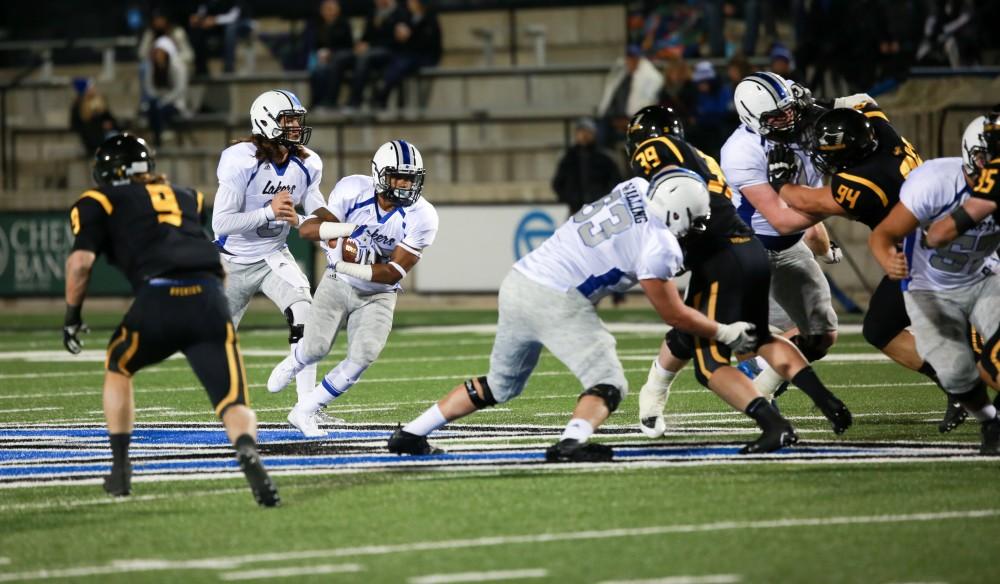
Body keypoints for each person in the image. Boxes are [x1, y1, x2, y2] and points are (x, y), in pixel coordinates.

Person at [387, 170, 794, 462]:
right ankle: (572, 442)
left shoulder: (635, 187)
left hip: (519, 280)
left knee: (500, 385)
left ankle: (411, 433)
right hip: (557, 295)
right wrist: (724, 331)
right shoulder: (660, 246)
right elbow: (674, 313)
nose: (696, 227)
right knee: (609, 380)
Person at [62, 134, 278, 506]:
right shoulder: (185, 195)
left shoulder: (98, 200)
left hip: (159, 296)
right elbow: (208, 253)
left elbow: (80, 264)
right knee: (232, 399)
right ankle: (246, 448)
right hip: (209, 295)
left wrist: (72, 316)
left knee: (119, 364)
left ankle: (120, 470)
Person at [625, 105, 852, 440]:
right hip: (743, 245)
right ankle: (819, 398)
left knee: (707, 352)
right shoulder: (705, 157)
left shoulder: (659, 154)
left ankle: (765, 413)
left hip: (716, 246)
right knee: (746, 335)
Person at [770, 104, 968, 432]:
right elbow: (862, 100)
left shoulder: (860, 181)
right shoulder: (884, 134)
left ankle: (959, 385)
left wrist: (779, 181)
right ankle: (958, 385)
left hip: (928, 256)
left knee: (882, 328)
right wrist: (818, 110)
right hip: (952, 237)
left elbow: (809, 202)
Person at [266, 141, 439, 437]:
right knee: (316, 347)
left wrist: (345, 262)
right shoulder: (353, 190)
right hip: (337, 283)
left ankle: (304, 411)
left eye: (410, 178)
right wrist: (344, 235)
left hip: (379, 293)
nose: (404, 184)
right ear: (379, 174)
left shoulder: (423, 216)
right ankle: (294, 361)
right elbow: (311, 230)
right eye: (397, 176)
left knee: (363, 356)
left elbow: (392, 272)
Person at [869, 114, 1000, 454]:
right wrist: (887, 260)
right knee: (956, 373)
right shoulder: (934, 182)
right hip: (929, 286)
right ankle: (990, 421)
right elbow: (886, 234)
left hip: (985, 275)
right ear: (975, 156)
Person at [720, 72, 842, 401]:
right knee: (752, 337)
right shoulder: (740, 151)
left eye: (790, 109)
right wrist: (848, 200)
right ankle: (760, 397)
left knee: (822, 335)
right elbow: (783, 220)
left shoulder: (806, 124)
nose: (789, 119)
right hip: (749, 251)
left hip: (790, 245)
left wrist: (824, 244)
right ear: (752, 118)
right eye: (777, 116)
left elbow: (805, 202)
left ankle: (762, 378)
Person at [211, 89, 335, 415]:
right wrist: (269, 212)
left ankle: (306, 405)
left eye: (297, 119)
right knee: (214, 344)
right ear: (266, 121)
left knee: (305, 313)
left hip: (272, 255)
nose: (295, 126)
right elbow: (221, 223)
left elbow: (318, 212)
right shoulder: (240, 160)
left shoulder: (306, 163)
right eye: (288, 119)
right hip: (231, 261)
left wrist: (338, 236)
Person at [373, 0, 442, 109]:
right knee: (397, 62)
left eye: (412, 2)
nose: (408, 4)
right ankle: (384, 93)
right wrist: (400, 36)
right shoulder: (408, 18)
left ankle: (383, 92)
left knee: (403, 63)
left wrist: (409, 36)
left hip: (425, 58)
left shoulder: (430, 19)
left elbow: (428, 44)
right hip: (409, 56)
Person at [551, 117, 623, 215]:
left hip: (600, 209)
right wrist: (570, 199)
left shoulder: (605, 158)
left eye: (588, 132)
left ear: (594, 134)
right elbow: (557, 184)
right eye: (581, 131)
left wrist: (604, 199)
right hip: (575, 210)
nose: (584, 135)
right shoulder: (568, 158)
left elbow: (616, 182)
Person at [596, 45, 663, 149]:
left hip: (637, 120)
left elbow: (648, 105)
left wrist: (629, 120)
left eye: (633, 58)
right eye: (629, 58)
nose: (630, 61)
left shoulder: (651, 78)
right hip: (614, 118)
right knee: (598, 130)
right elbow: (610, 101)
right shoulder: (621, 74)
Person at [347, 0, 409, 110]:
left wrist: (370, 46)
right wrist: (361, 44)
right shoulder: (373, 12)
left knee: (365, 57)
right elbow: (366, 36)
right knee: (349, 57)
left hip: (390, 51)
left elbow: (397, 40)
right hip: (372, 52)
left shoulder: (400, 13)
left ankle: (354, 100)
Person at [305, 0, 355, 108]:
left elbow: (349, 46)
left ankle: (329, 101)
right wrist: (320, 53)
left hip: (338, 58)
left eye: (331, 9)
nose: (329, 12)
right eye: (326, 9)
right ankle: (316, 102)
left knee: (327, 70)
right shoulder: (317, 24)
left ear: (337, 10)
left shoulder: (344, 24)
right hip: (320, 57)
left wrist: (331, 53)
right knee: (317, 71)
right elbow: (313, 44)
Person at [141, 36, 189, 146]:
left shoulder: (178, 67)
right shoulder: (151, 67)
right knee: (153, 108)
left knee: (159, 109)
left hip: (174, 103)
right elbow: (149, 88)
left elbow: (179, 89)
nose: (158, 55)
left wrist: (164, 100)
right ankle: (157, 137)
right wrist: (158, 97)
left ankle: (160, 137)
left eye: (160, 52)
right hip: (157, 101)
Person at [188, 1, 253, 75]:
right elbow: (203, 10)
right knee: (196, 30)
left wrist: (215, 20)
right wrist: (198, 18)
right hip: (218, 25)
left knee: (230, 29)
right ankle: (201, 68)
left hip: (240, 23)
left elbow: (233, 16)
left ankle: (229, 67)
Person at [69, 78, 119, 154]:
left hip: (105, 134)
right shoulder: (79, 105)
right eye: (90, 88)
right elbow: (81, 125)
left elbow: (108, 117)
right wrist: (101, 125)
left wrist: (110, 123)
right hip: (93, 138)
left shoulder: (100, 102)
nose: (93, 89)